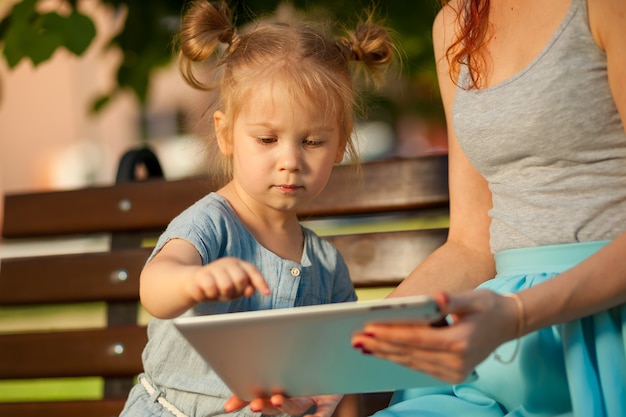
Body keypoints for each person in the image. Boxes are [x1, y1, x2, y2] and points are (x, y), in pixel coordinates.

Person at [229, 0, 626, 416]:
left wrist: (518, 314)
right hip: (501, 348)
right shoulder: (457, 23)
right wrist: (330, 366)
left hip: (600, 323)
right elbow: (472, 246)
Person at [118, 1, 395, 416]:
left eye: (313, 141)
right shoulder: (211, 223)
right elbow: (155, 287)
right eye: (267, 140)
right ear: (226, 134)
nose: (290, 160)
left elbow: (342, 375)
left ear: (340, 143)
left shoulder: (326, 264)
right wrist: (195, 282)